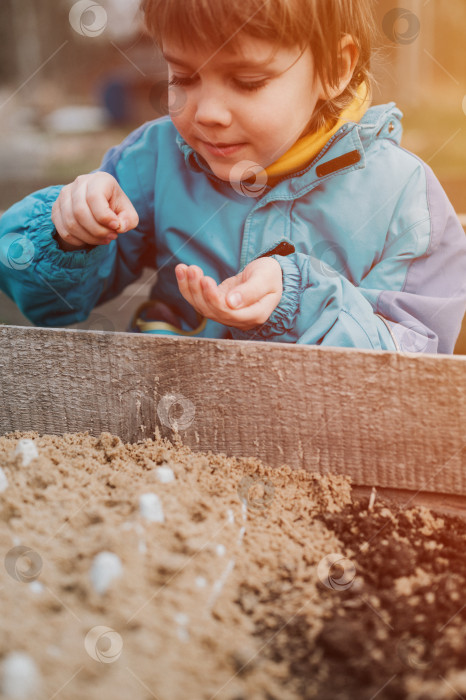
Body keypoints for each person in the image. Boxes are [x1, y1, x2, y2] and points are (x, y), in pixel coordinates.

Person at [1, 0, 465, 353]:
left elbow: (413, 361)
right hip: (167, 436)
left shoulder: (403, 199)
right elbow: (51, 305)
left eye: (247, 82)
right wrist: (66, 234)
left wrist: (301, 298)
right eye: (183, 78)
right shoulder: (155, 159)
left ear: (336, 69)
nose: (208, 113)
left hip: (324, 457)